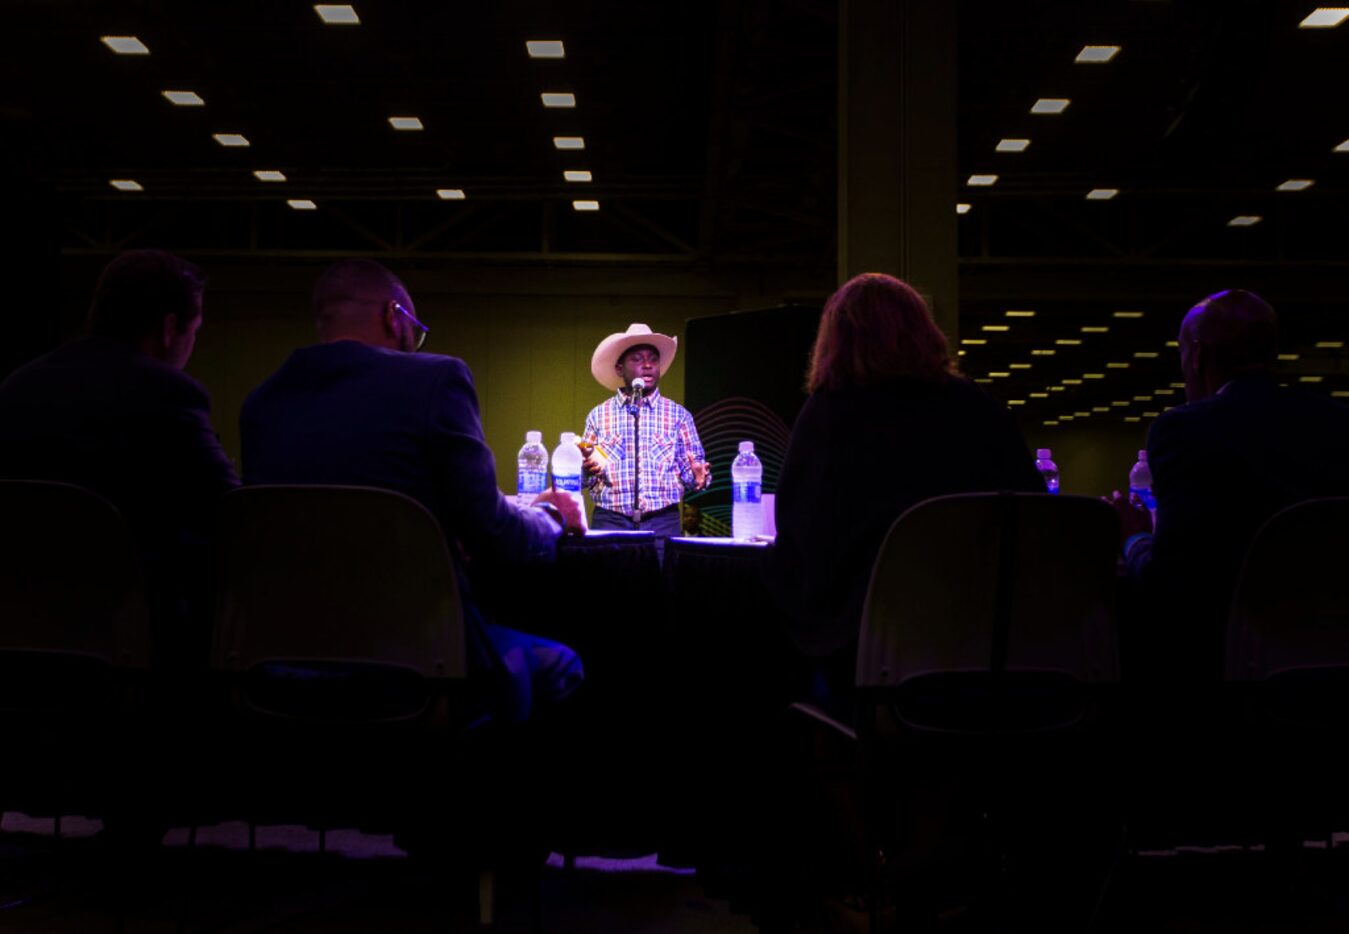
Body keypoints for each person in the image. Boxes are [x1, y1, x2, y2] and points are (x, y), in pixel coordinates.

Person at [240, 258, 585, 723]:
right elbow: (493, 533)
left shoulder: (261, 403)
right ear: (393, 315)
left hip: (285, 658)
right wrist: (552, 517)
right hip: (423, 658)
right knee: (562, 663)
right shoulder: (435, 379)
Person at [770, 272, 1043, 711]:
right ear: (923, 330)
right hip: (991, 650)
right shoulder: (979, 409)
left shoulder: (826, 416)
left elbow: (801, 538)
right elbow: (1035, 517)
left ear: (835, 340)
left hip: (871, 658)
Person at [0, 249, 239, 667]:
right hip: (130, 641)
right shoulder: (168, 394)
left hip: (18, 628)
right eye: (194, 330)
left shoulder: (17, 387)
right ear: (169, 328)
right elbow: (232, 514)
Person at [1110, 288, 1349, 683]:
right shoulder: (1339, 423)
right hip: (1332, 658)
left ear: (1197, 355)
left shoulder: (1183, 430)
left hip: (1225, 662)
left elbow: (1169, 584)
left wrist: (1133, 538)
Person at [581, 323, 711, 539]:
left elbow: (694, 475)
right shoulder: (598, 415)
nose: (648, 365)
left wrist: (699, 477)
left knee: (661, 573)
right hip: (610, 520)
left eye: (653, 359)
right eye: (637, 359)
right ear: (620, 369)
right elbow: (580, 479)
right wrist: (585, 471)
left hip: (663, 522)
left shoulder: (679, 415)